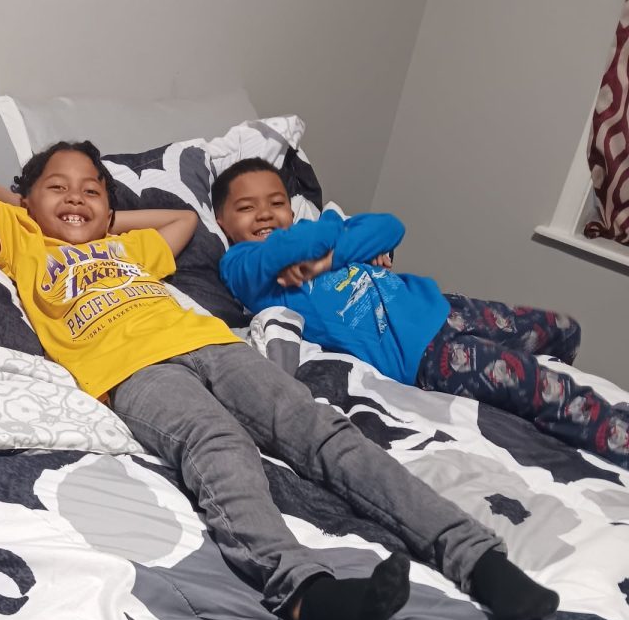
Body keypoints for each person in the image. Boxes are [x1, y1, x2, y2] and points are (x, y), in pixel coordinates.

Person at [0, 141, 558, 620]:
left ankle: (475, 556)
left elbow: (183, 219)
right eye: (59, 187)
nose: (76, 197)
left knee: (318, 428)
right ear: (27, 201)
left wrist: (100, 216)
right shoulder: (23, 242)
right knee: (217, 445)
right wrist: (28, 206)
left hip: (214, 343)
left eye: (91, 189)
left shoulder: (130, 248)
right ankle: (304, 593)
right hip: (133, 371)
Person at [216, 157, 629, 469]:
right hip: (423, 354)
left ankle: (560, 411)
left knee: (564, 329)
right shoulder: (242, 266)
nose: (265, 213)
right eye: (247, 208)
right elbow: (290, 246)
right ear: (221, 220)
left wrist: (330, 258)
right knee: (537, 384)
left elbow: (389, 226)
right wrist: (332, 231)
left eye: (276, 202)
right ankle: (613, 433)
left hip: (444, 305)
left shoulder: (318, 244)